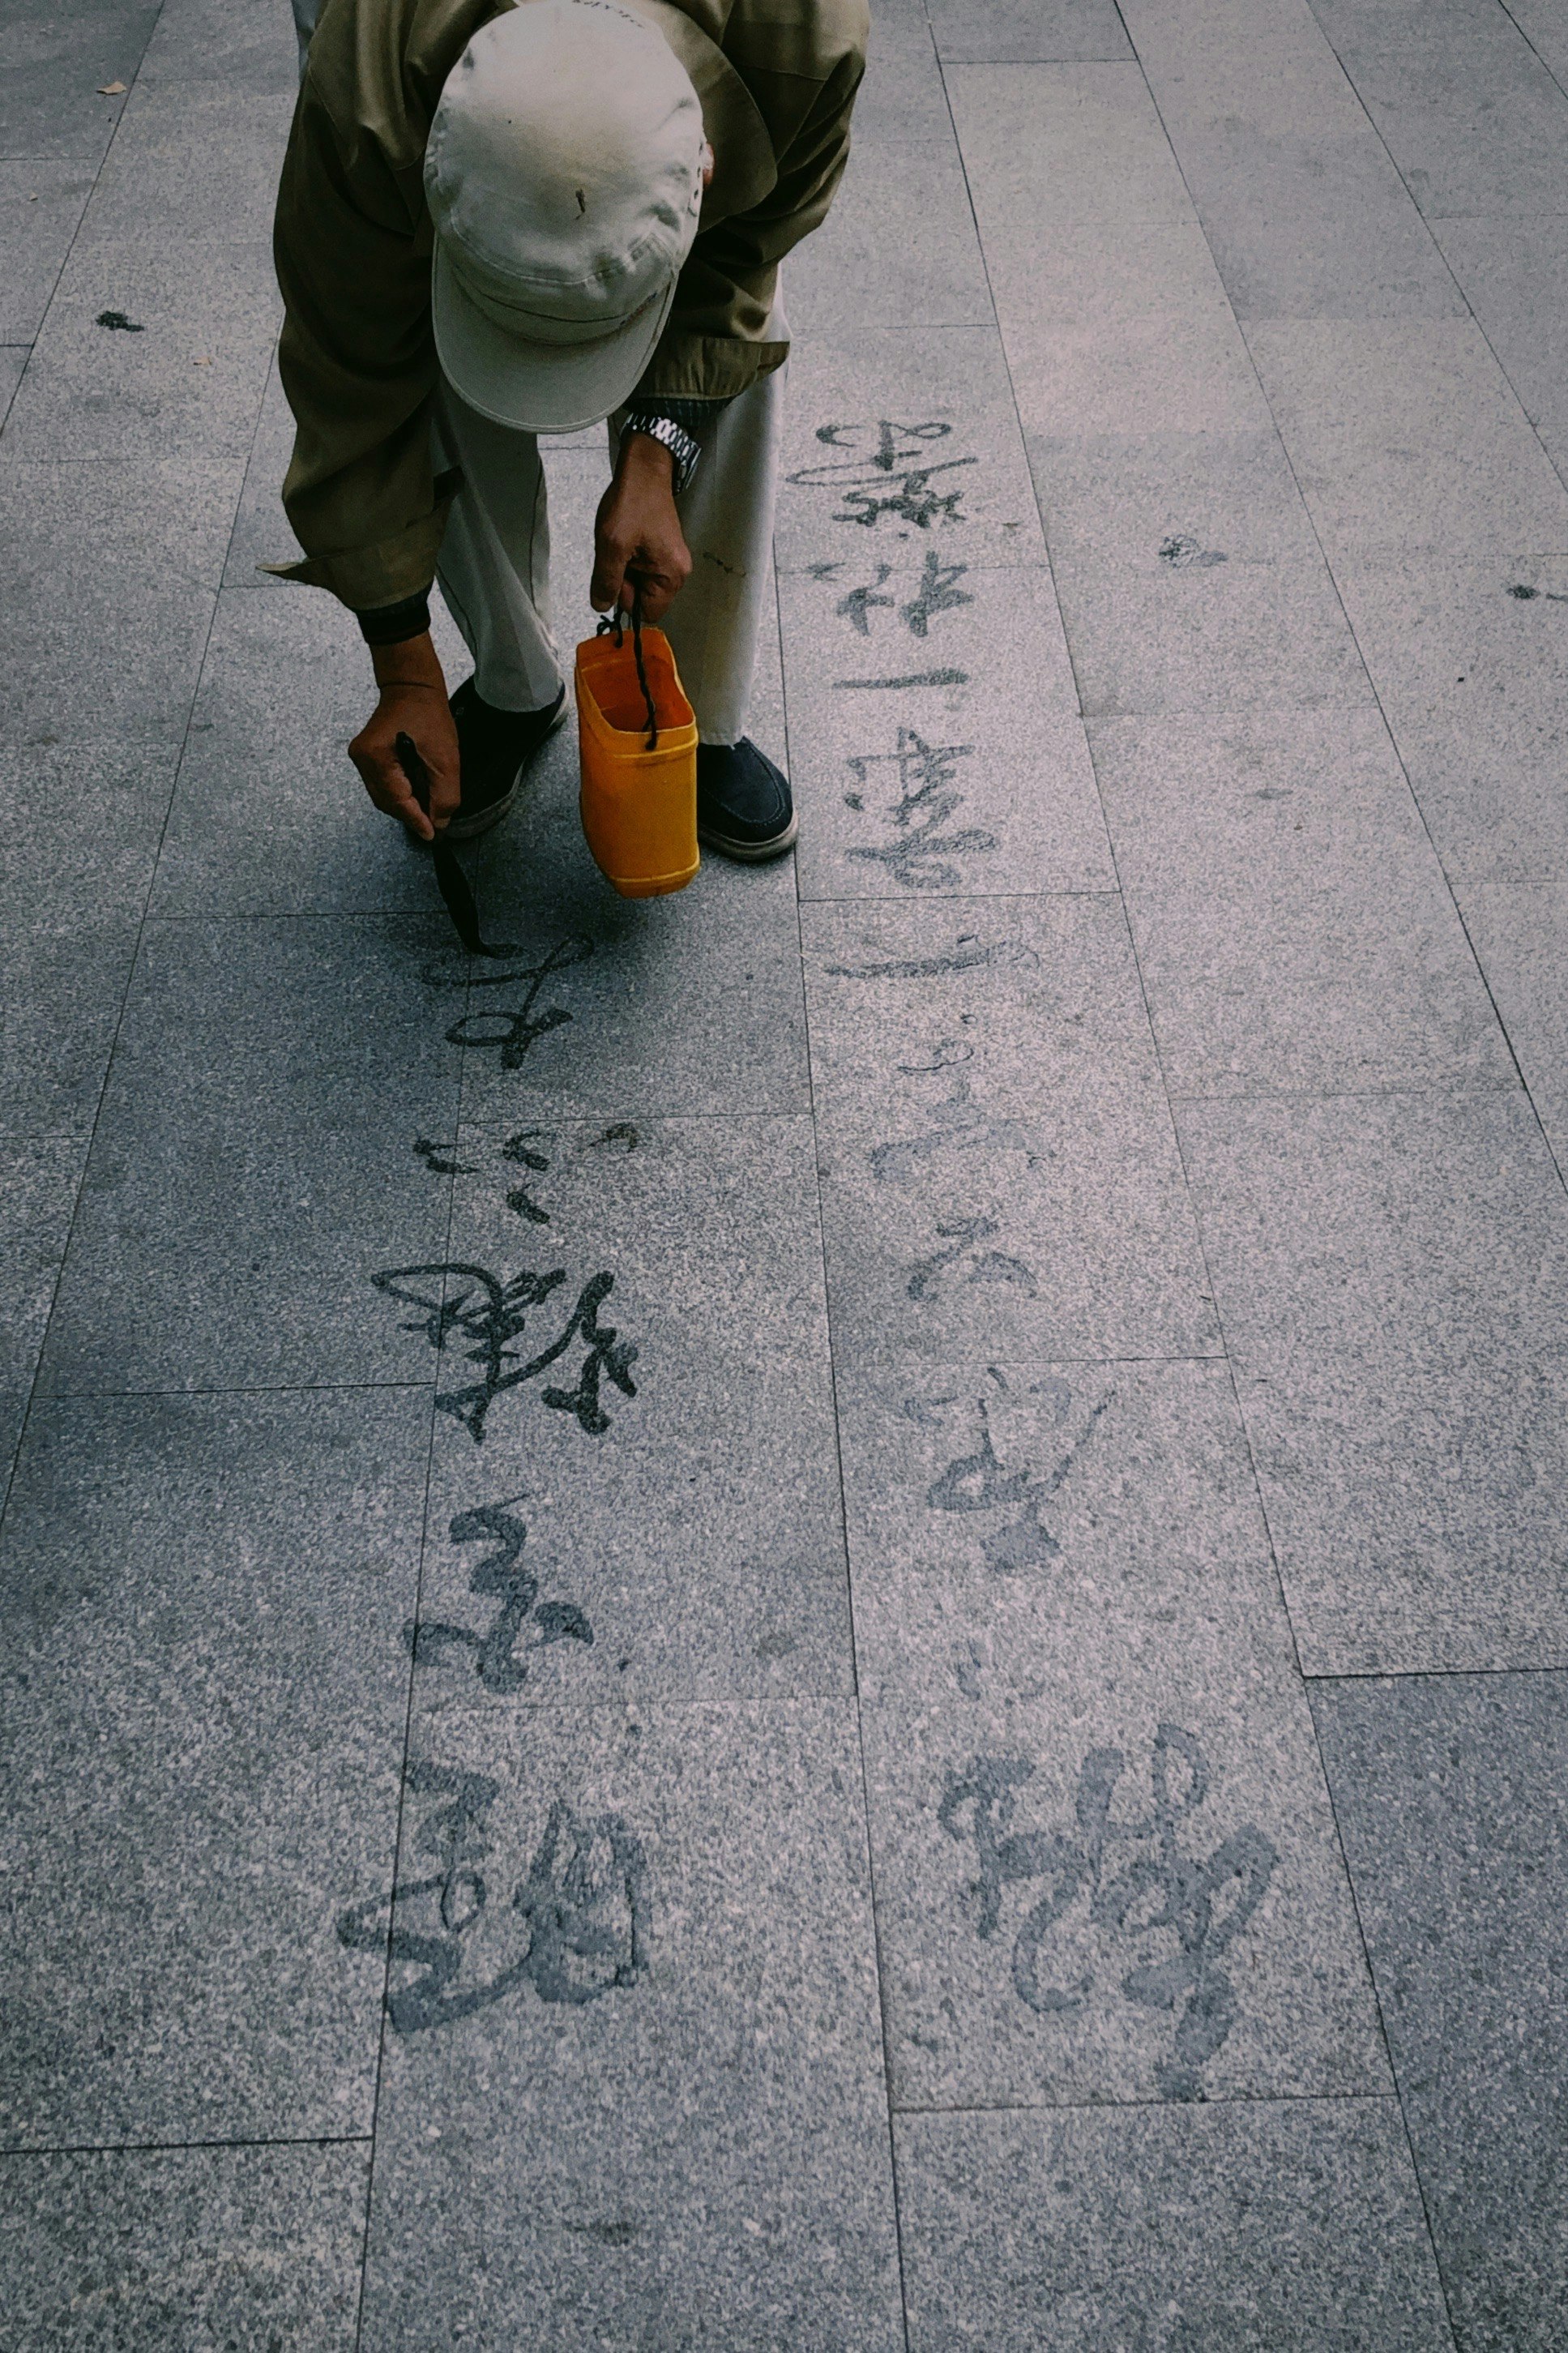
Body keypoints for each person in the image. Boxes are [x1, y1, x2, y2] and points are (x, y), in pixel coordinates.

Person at [273, 0, 867, 859]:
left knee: (753, 329)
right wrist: (402, 660)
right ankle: (514, 680)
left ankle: (690, 706)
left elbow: (741, 258)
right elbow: (349, 367)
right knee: (411, 345)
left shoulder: (803, 39)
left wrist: (662, 448)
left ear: (703, 168)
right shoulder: (366, 96)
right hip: (397, 82)